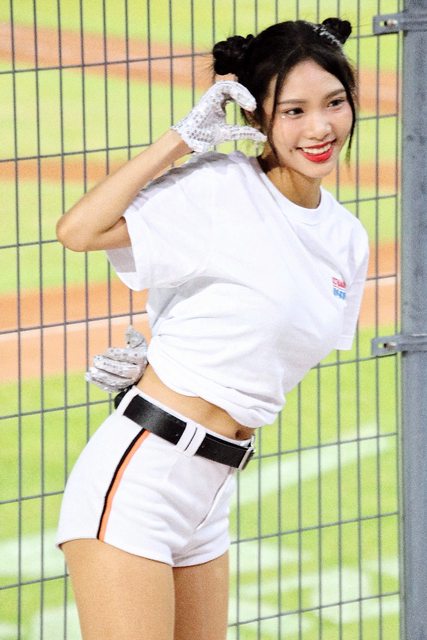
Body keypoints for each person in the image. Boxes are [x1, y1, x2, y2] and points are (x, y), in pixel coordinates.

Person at [55, 17, 369, 640]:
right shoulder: (219, 188)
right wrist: (179, 141)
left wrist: (160, 355)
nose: (320, 128)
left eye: (334, 103)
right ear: (256, 117)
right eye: (294, 111)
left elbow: (255, 348)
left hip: (211, 494)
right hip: (142, 478)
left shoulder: (347, 238)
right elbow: (78, 231)